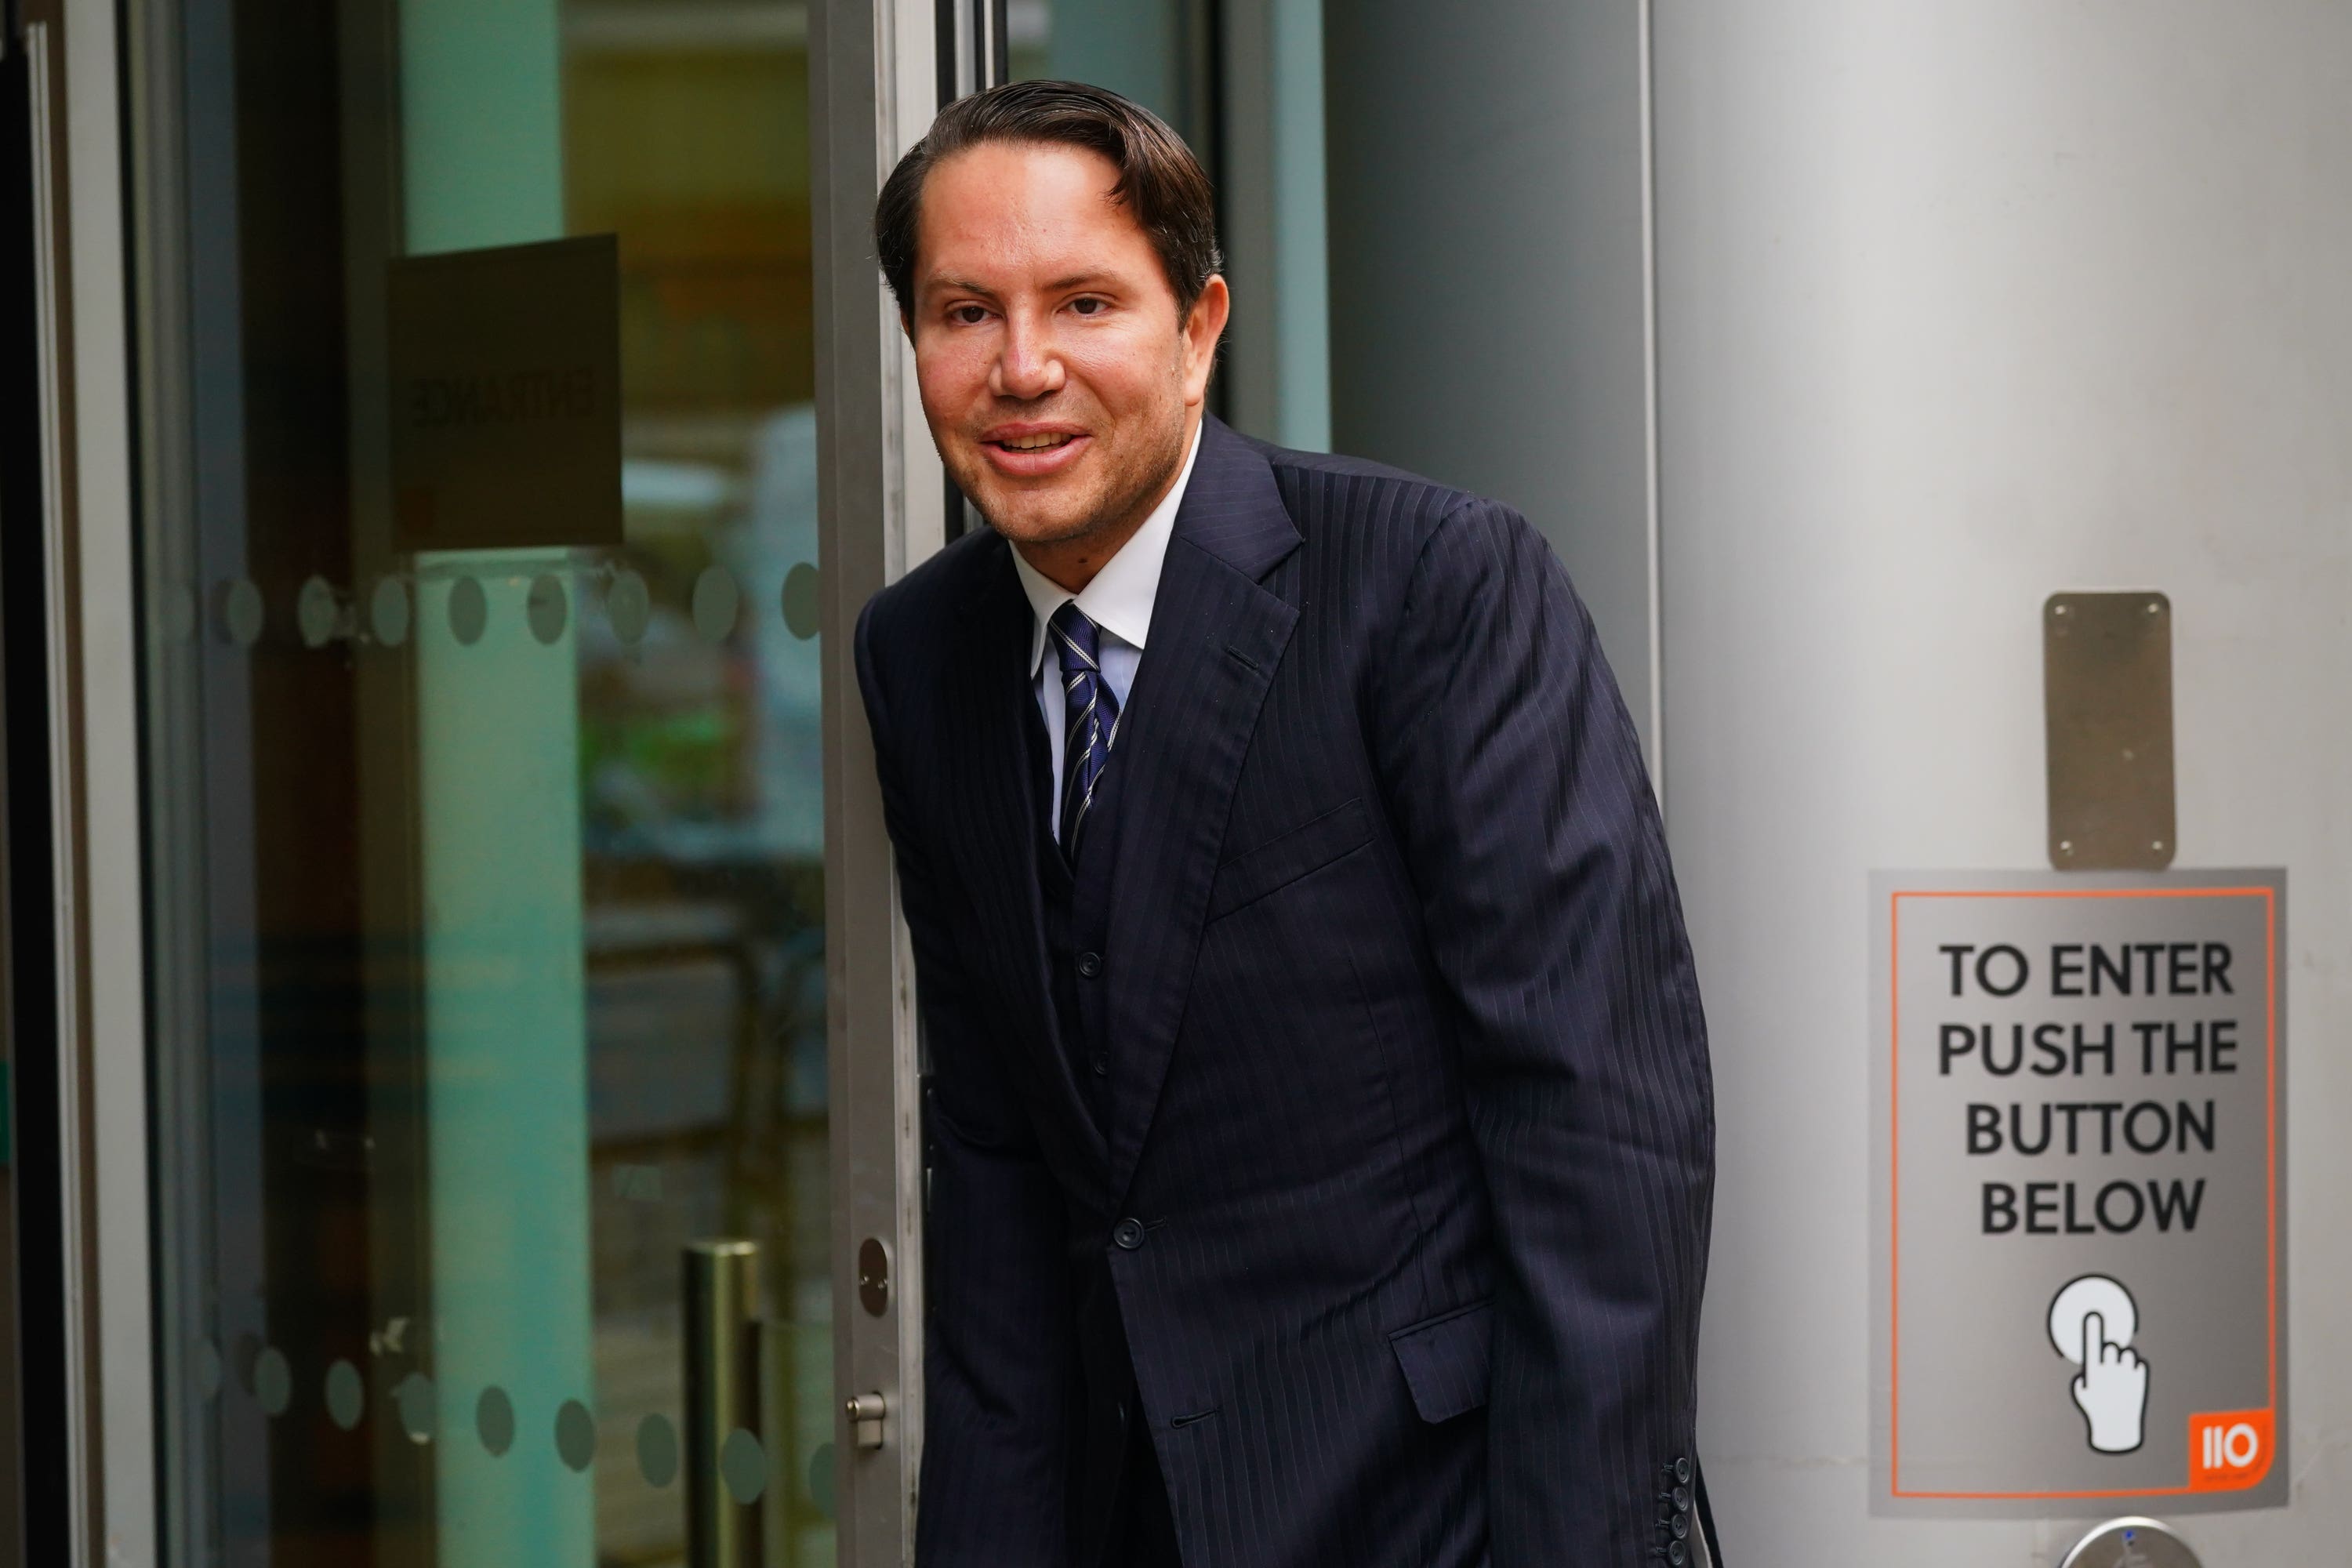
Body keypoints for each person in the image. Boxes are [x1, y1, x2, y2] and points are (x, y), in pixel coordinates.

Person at [855, 79, 1719, 1568]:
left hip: (1434, 1513)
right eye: (962, 312)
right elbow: (994, 1170)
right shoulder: (918, 654)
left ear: (1198, 333)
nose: (1023, 367)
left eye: (1084, 302)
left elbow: (1601, 1130)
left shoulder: (1434, 584)